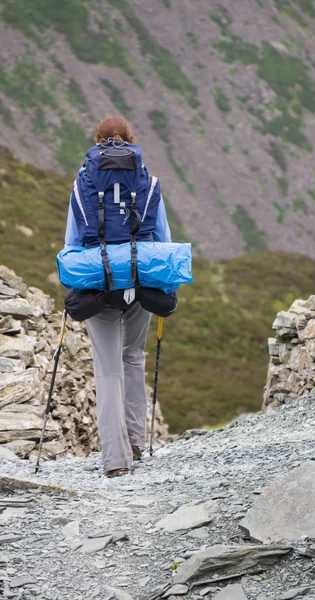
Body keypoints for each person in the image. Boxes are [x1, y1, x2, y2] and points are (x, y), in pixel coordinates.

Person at [64, 116, 171, 478]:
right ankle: (137, 442)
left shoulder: (83, 183)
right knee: (133, 358)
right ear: (131, 140)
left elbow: (73, 243)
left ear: (96, 141)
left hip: (97, 282)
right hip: (139, 279)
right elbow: (162, 240)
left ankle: (115, 460)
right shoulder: (149, 183)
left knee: (107, 368)